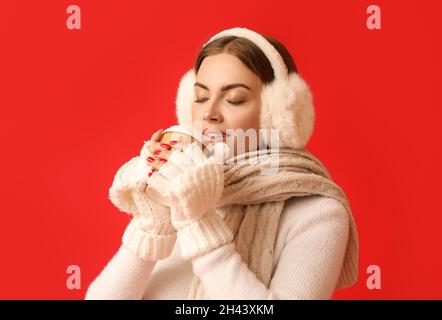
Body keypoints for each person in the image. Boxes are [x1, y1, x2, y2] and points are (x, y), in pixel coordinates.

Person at [85, 27, 359, 300]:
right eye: (201, 97)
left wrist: (199, 222)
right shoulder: (176, 189)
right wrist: (152, 223)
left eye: (234, 100)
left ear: (276, 112)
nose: (209, 113)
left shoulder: (318, 213)